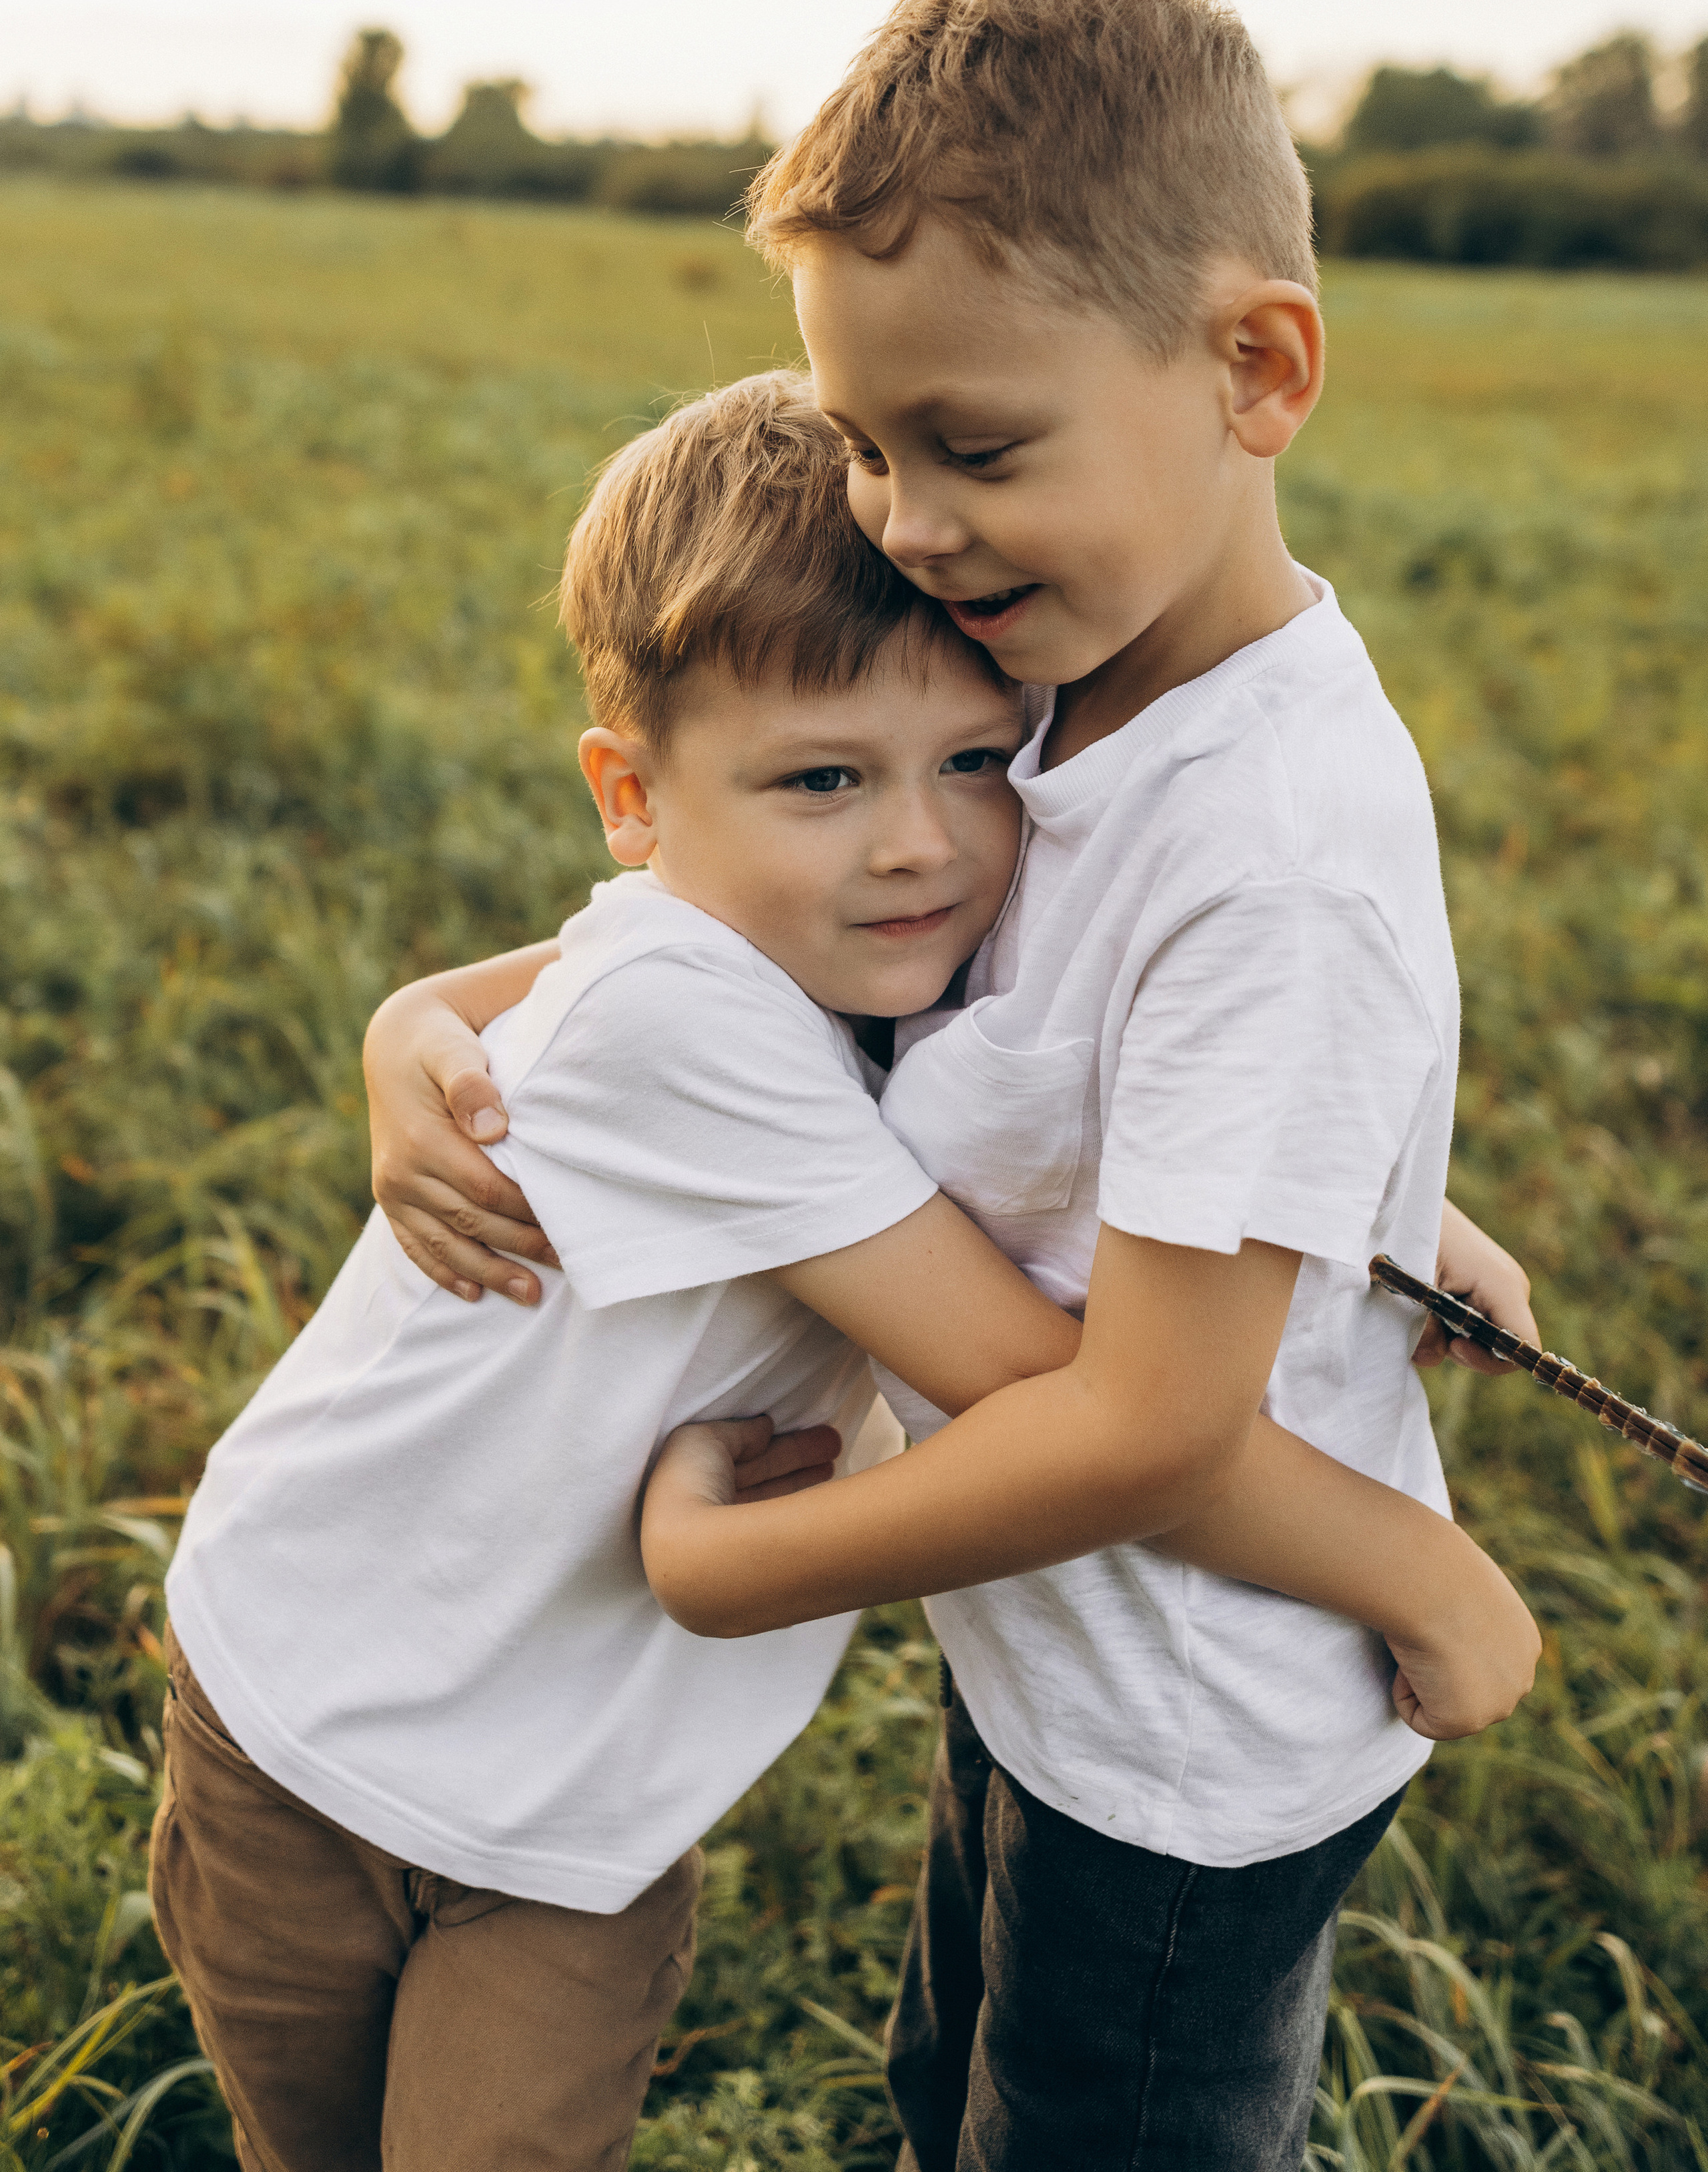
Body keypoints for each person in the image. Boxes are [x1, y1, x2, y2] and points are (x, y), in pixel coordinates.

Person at [368, 0, 1543, 2172]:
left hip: (1189, 1734)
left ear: (1259, 368)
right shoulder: (1077, 666)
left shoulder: (1267, 840)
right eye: (863, 444)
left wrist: (727, 1574)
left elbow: (1144, 1426)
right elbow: (907, 968)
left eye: (971, 447)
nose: (903, 521)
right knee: (961, 2104)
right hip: (1057, 1669)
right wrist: (425, 1017)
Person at [154, 372, 1528, 2172]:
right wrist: (1421, 1573)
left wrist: (1358, 1203)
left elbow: (1057, 1090)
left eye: (976, 761)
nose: (920, 843)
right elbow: (1056, 1387)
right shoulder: (690, 1016)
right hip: (308, 1728)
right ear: (633, 798)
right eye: (824, 779)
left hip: (580, 1804)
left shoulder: (863, 954)